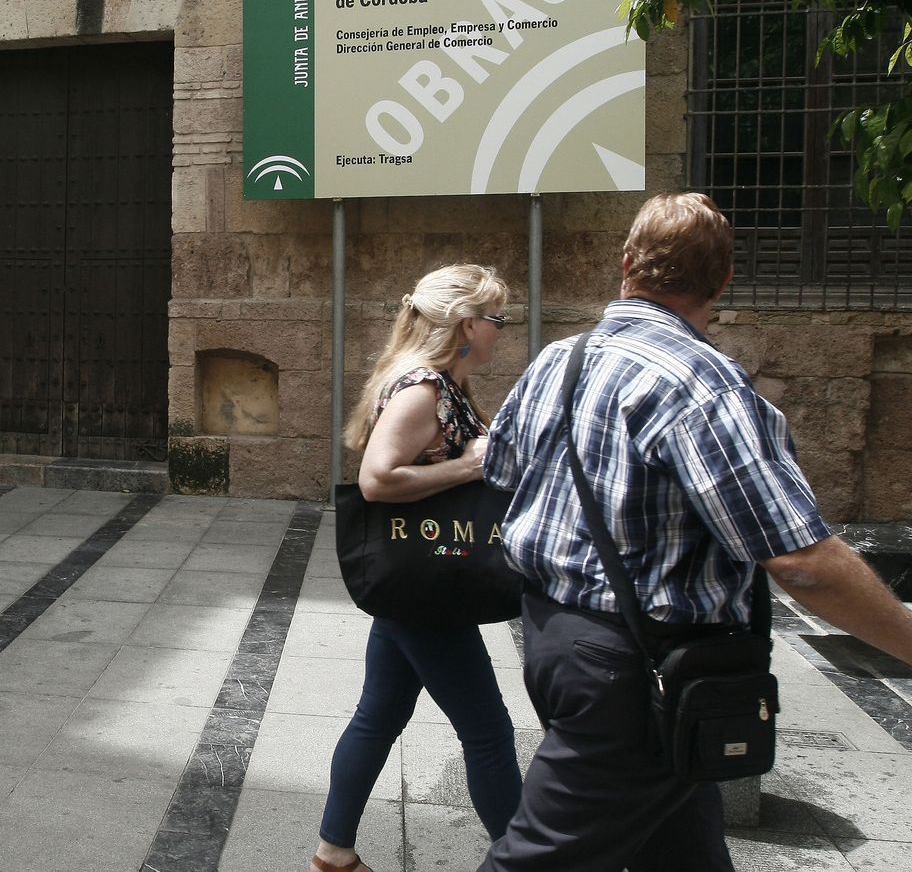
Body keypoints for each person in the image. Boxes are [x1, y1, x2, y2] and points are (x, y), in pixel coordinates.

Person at [477, 192, 912, 871]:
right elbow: (800, 560)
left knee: (684, 848)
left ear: (627, 264)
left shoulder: (557, 359)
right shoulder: (701, 383)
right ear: (725, 280)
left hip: (557, 641)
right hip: (639, 669)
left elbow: (502, 473)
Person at [311, 263, 523, 872]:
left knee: (379, 714)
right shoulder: (421, 390)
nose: (499, 330)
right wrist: (471, 467)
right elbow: (377, 480)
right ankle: (526, 859)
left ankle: (333, 855)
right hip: (430, 583)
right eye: (494, 319)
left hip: (417, 578)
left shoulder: (437, 383)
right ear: (463, 324)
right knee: (487, 731)